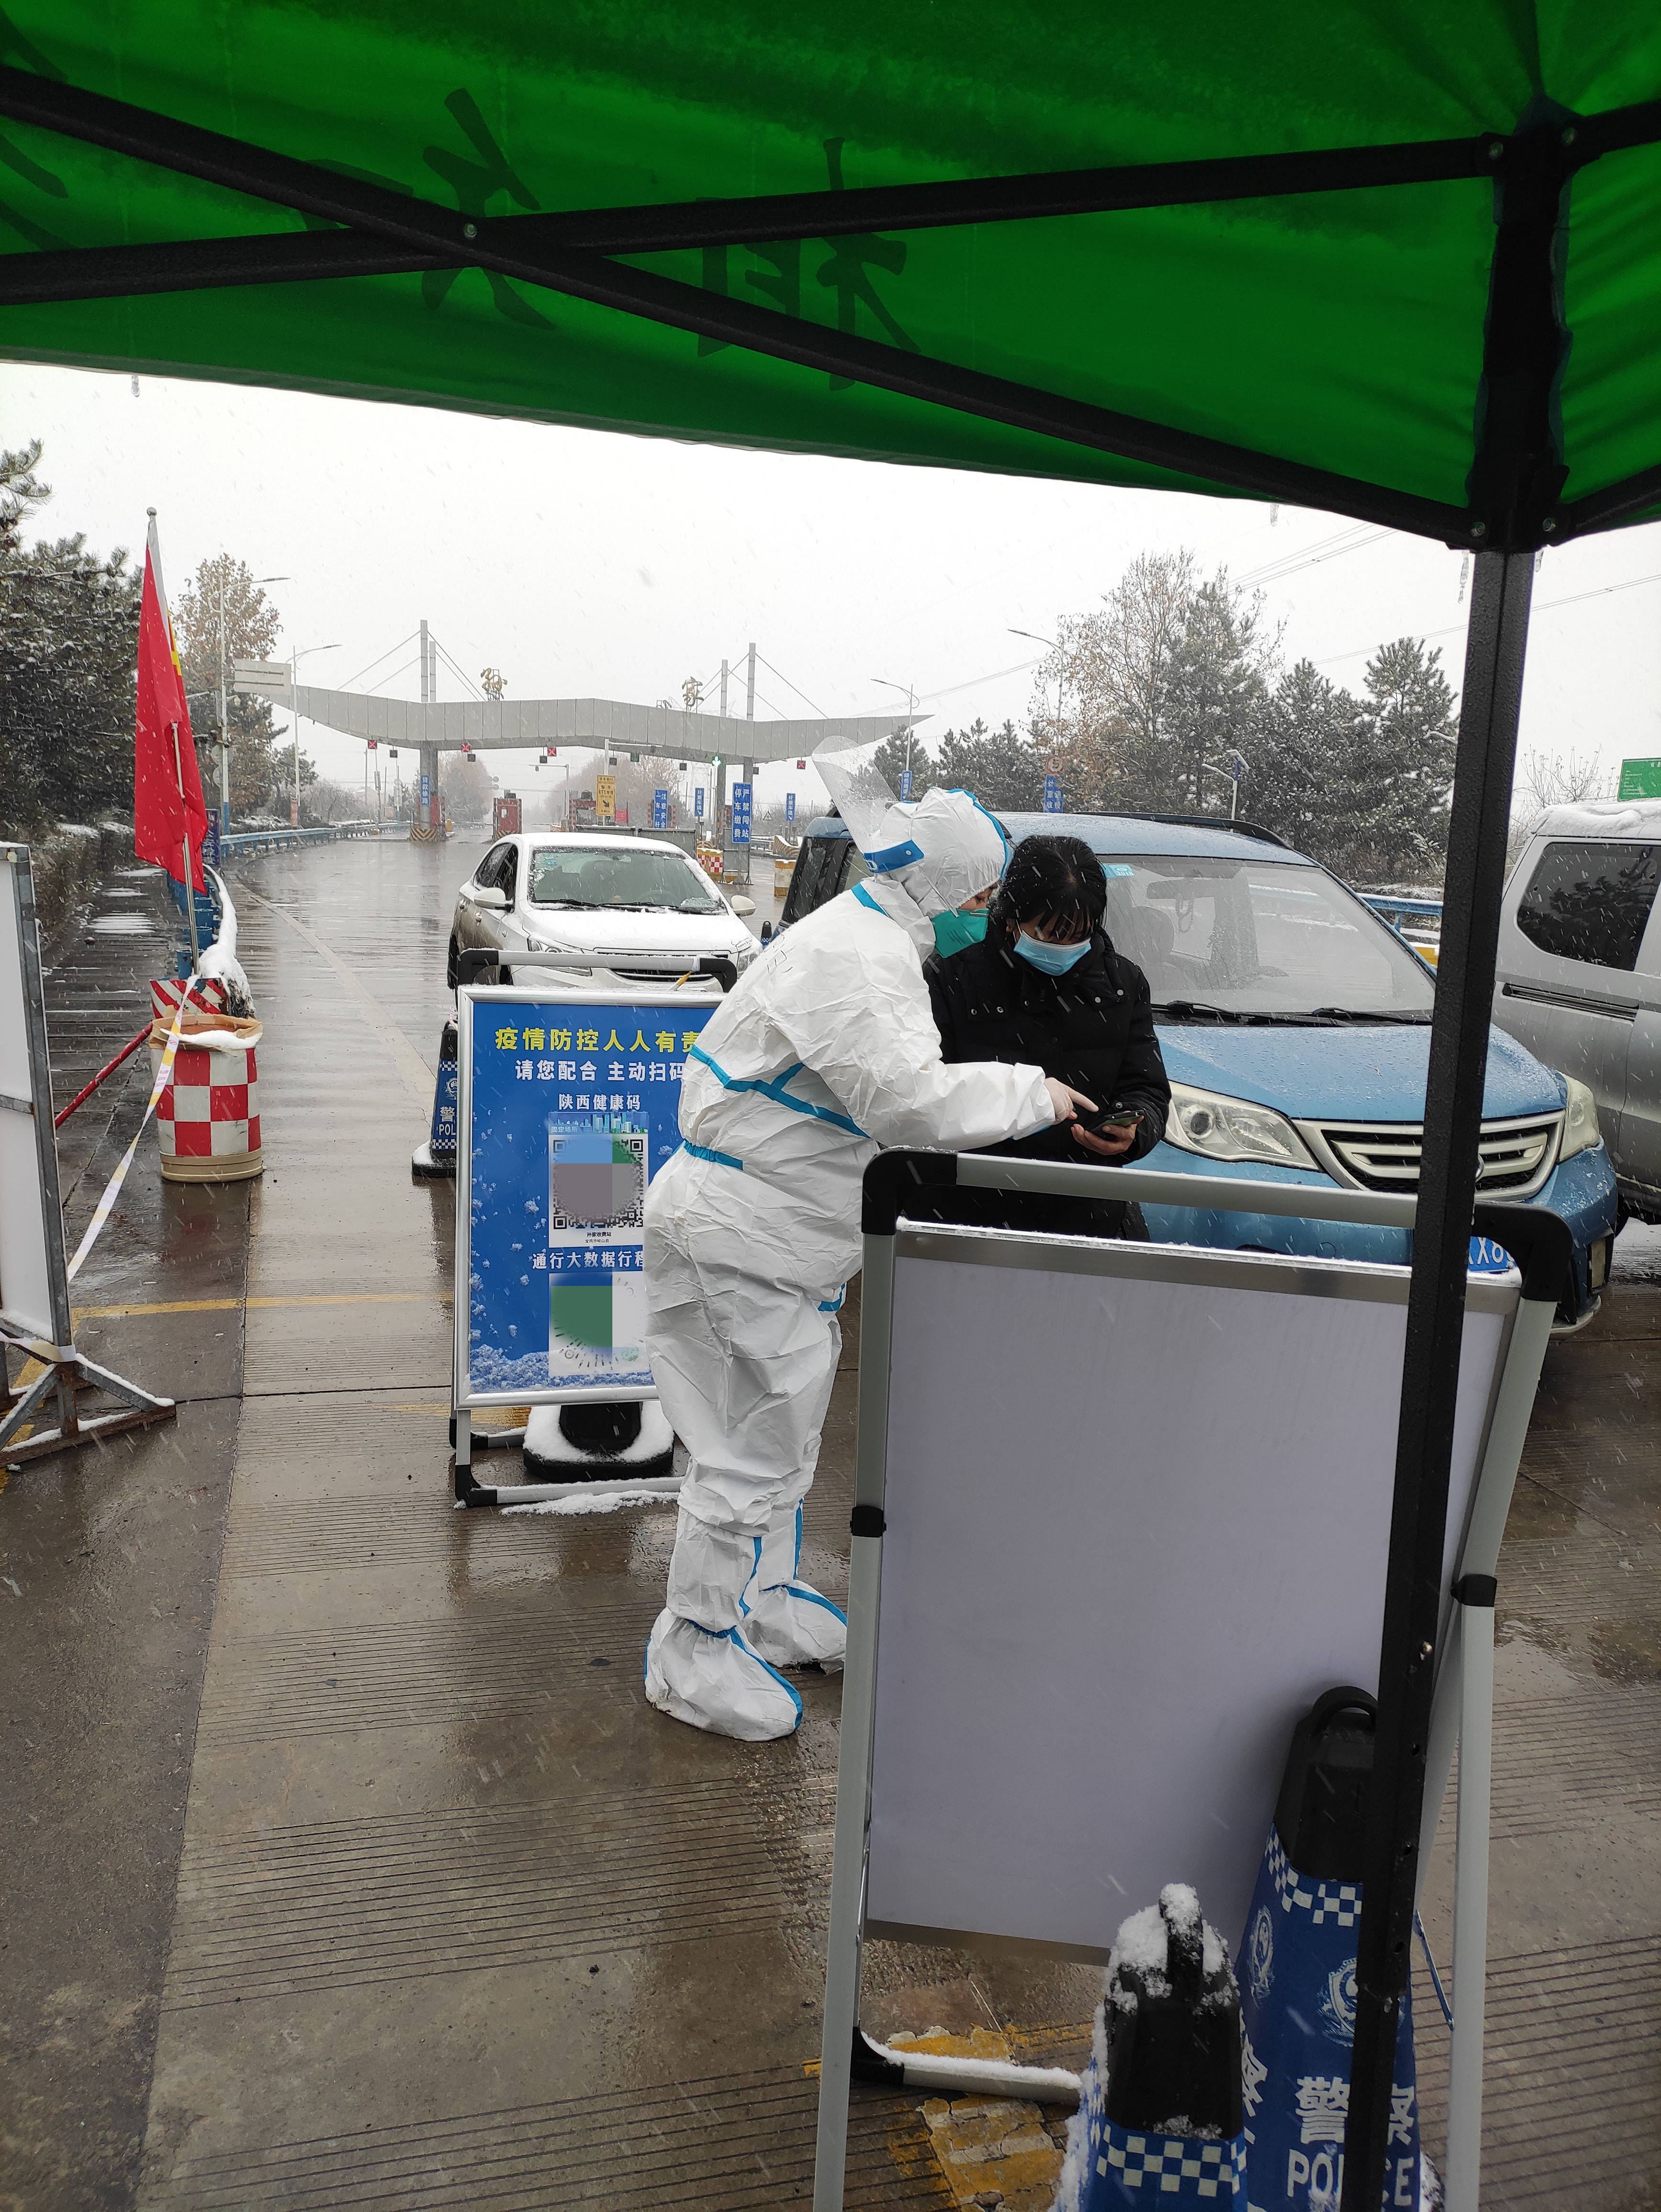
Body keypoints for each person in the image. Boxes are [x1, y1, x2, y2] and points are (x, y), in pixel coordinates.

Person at [642, 752, 1100, 1741]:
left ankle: (760, 1600)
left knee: (779, 1437)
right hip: (744, 1234)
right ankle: (692, 1647)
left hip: (772, 1239)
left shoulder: (872, 937)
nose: (986, 909)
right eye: (982, 891)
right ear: (946, 885)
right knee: (747, 1452)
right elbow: (908, 1099)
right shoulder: (860, 956)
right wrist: (1034, 1093)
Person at [920, 833, 1171, 1239]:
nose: (1067, 947)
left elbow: (1147, 1087)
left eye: (1079, 935)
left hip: (1088, 1214)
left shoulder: (1123, 984)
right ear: (1011, 918)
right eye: (1053, 935)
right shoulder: (954, 978)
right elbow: (927, 1092)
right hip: (968, 1211)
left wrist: (1133, 1131)